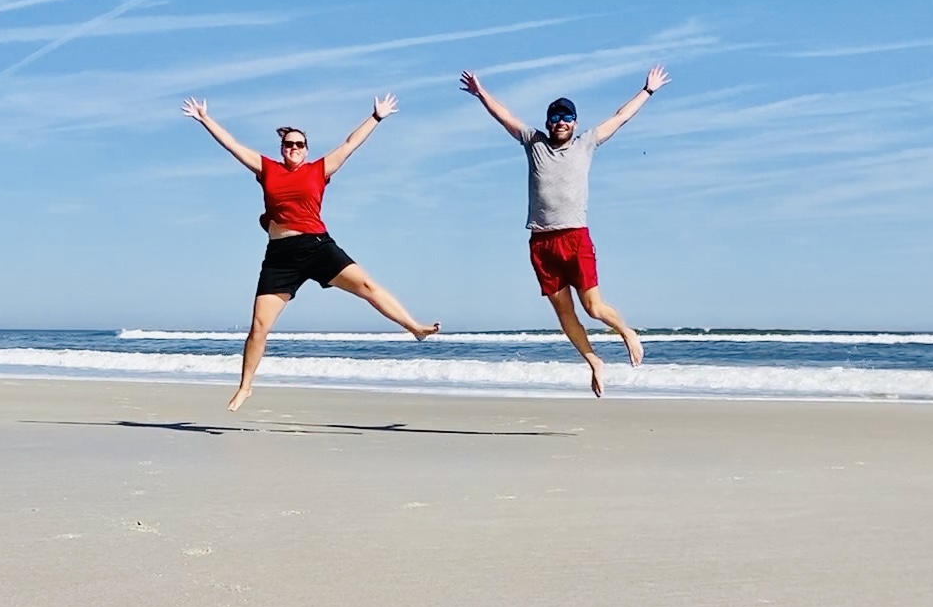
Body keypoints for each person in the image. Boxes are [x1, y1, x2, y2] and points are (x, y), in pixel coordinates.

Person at [182, 93, 440, 411]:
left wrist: (376, 117)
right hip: (280, 256)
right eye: (288, 144)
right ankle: (246, 387)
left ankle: (414, 327)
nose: (293, 148)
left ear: (307, 149)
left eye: (299, 144)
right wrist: (206, 119)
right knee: (259, 326)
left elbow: (349, 144)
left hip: (317, 246)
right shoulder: (267, 169)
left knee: (368, 286)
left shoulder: (319, 170)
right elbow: (233, 145)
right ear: (282, 148)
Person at [459, 66, 670, 397]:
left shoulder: (586, 143)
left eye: (566, 118)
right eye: (555, 117)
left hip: (575, 238)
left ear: (574, 122)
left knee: (594, 308)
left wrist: (647, 91)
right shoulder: (533, 142)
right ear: (547, 123)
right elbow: (505, 117)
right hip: (541, 242)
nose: (560, 122)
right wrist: (481, 92)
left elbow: (620, 117)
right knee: (564, 312)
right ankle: (594, 362)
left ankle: (627, 332)